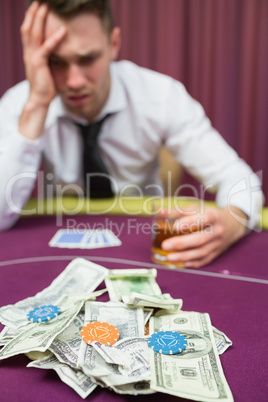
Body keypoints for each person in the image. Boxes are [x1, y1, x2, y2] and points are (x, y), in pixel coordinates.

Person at [0, 0, 263, 268]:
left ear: (113, 44)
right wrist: (37, 105)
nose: (74, 81)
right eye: (56, 62)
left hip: (144, 242)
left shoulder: (161, 96)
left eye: (87, 58)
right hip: (59, 242)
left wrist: (234, 220)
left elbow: (236, 176)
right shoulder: (20, 103)